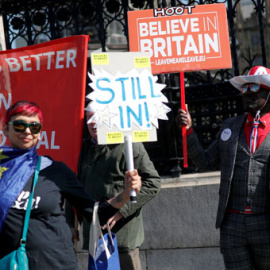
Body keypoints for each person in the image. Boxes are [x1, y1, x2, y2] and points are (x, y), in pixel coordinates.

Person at [0, 100, 141, 270]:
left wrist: (125, 194)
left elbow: (96, 213)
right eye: (20, 126)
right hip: (13, 264)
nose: (28, 131)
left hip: (57, 263)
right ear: (6, 128)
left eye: (35, 126)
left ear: (40, 133)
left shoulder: (55, 170)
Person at [177, 66, 270, 270]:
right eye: (243, 90)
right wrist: (189, 130)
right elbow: (204, 162)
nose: (247, 94)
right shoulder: (230, 126)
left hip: (265, 223)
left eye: (254, 88)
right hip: (233, 225)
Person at [65, 100, 161, 270]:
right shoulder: (82, 148)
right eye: (88, 118)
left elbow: (152, 183)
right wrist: (70, 223)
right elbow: (73, 187)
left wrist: (121, 212)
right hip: (94, 235)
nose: (92, 122)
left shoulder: (129, 145)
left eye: (95, 116)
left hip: (122, 238)